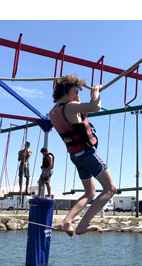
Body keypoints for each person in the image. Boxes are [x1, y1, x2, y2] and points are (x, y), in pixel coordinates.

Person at [48, 75, 115, 236]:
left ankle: (66, 221)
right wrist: (96, 91)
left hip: (75, 156)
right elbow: (95, 107)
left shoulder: (53, 112)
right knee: (110, 189)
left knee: (90, 193)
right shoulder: (69, 107)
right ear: (65, 91)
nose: (78, 96)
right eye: (76, 92)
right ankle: (83, 225)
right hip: (87, 154)